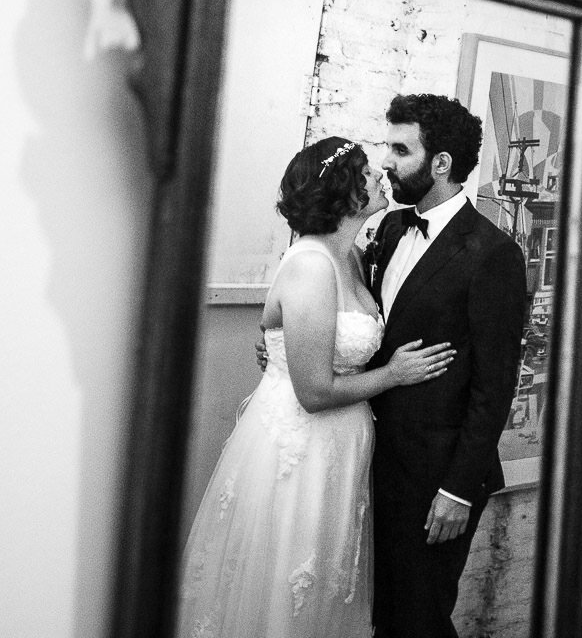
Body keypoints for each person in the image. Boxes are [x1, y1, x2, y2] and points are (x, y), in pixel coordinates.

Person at [177, 137, 456, 638]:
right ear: (346, 194)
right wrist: (394, 375)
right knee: (286, 582)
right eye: (367, 173)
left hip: (342, 445)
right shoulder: (310, 265)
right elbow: (313, 391)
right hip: (301, 448)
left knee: (326, 584)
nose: (379, 177)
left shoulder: (348, 256)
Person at [365, 94, 528, 638]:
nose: (386, 161)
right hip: (377, 460)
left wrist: (458, 489)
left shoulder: (492, 253)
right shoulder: (388, 230)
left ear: (441, 163)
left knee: (419, 618)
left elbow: (495, 384)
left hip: (440, 476)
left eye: (399, 149)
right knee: (384, 614)